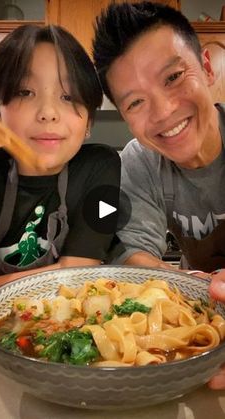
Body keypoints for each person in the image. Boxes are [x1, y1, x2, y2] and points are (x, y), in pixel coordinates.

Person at [93, 1, 225, 389]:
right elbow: (135, 254)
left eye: (172, 77)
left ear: (206, 67)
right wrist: (194, 289)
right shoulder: (138, 162)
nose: (164, 111)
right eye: (136, 101)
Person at [0, 24, 120, 291]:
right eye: (25, 92)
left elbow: (80, 271)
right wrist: (60, 271)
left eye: (68, 96)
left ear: (89, 121)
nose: (48, 112)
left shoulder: (101, 167)